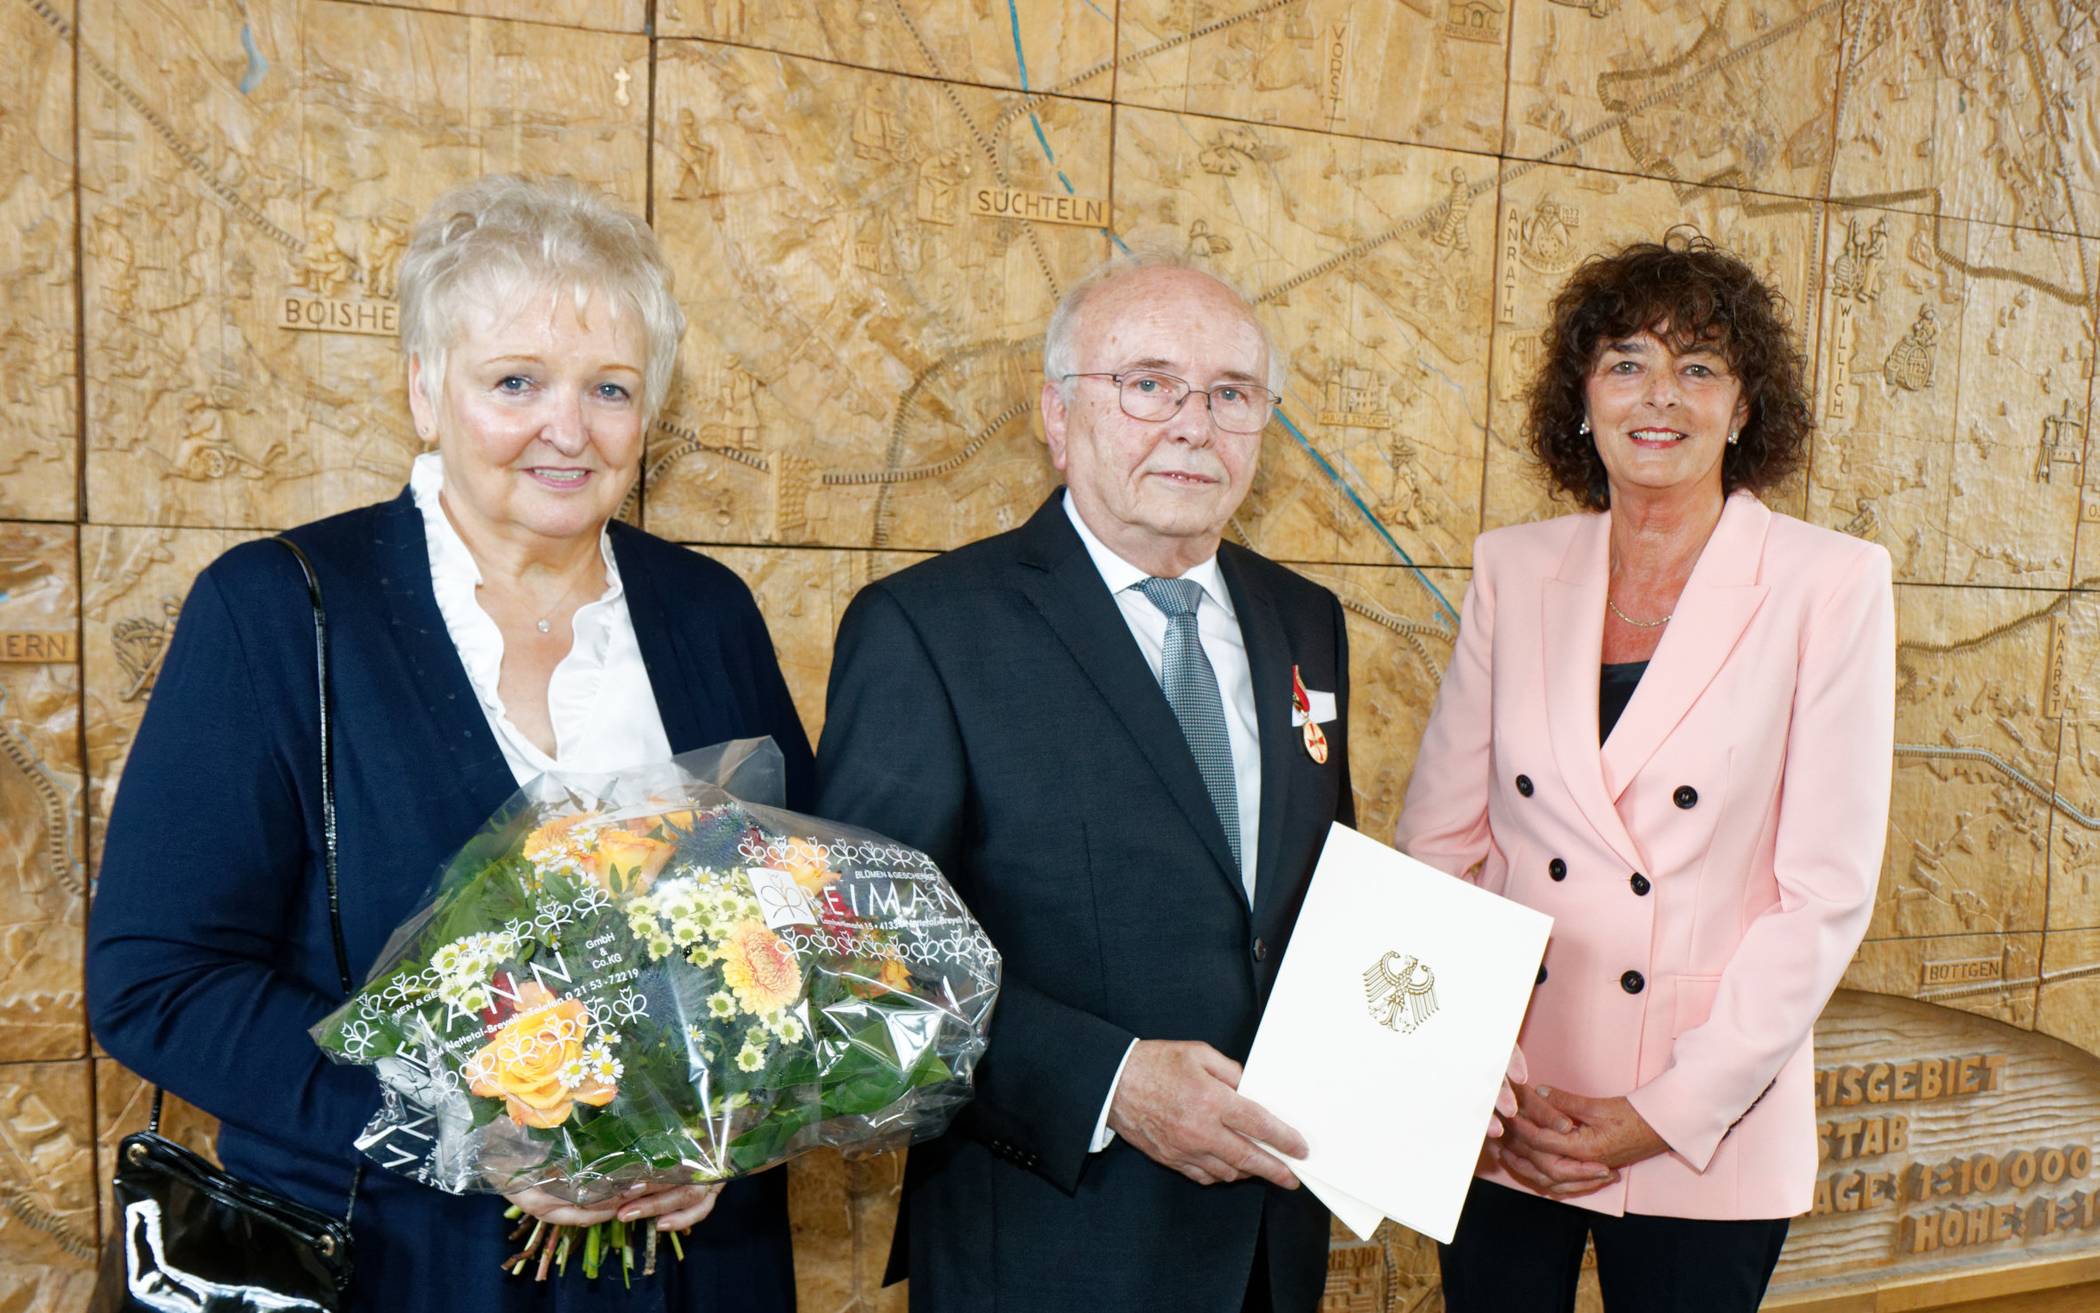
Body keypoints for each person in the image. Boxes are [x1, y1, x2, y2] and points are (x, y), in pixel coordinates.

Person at [87, 175, 809, 1312]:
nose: (566, 428)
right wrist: (465, 1120)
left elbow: (800, 926)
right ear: (425, 390)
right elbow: (155, 983)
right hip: (388, 1263)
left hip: (690, 1273)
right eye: (515, 380)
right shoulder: (278, 612)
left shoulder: (708, 611)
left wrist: (730, 1124)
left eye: (609, 388)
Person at [814, 251, 1353, 1313]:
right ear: (1057, 416)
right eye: (1148, 383)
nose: (1194, 423)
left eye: (1232, 394)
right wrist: (1113, 1083)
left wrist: (1431, 1048)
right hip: (1050, 1244)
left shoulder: (1307, 620)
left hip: (1270, 1248)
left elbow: (1306, 902)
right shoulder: (929, 628)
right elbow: (862, 958)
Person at [1395, 231, 1894, 1312]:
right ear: (1582, 397)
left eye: (1699, 366)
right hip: (1507, 1100)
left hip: (1704, 1114)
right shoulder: (1512, 567)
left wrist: (1663, 1110)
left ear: (1746, 405)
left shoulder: (1831, 585)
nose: (1658, 396)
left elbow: (1825, 892)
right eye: (1625, 362)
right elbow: (1440, 841)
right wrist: (1476, 1068)